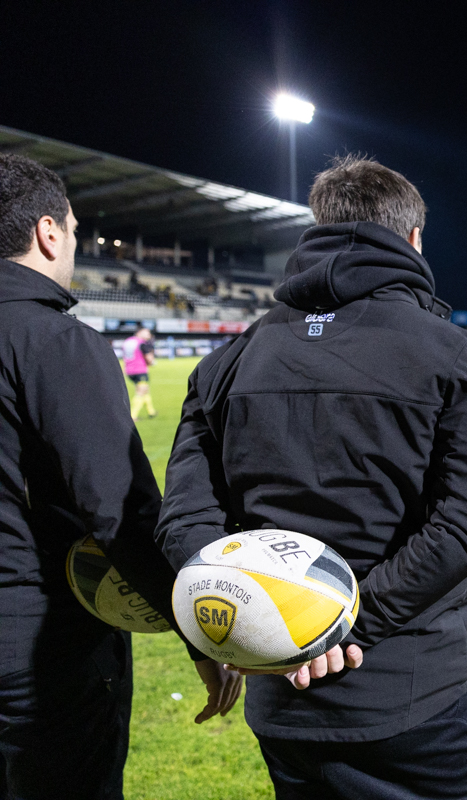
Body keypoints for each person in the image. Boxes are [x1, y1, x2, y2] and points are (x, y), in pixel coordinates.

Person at [155, 155, 467, 799]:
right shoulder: (450, 351)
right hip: (417, 691)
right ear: (412, 240)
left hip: (282, 696)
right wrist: (348, 623)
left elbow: (185, 522)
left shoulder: (226, 361)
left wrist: (248, 623)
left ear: (317, 230)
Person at [0, 154, 240, 800]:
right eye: (76, 231)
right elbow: (121, 510)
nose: (75, 245)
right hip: (40, 663)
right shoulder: (55, 341)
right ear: (48, 232)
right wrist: (197, 631)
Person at [122, 326, 157, 420]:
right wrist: (152, 362)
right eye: (147, 332)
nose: (149, 335)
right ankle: (132, 416)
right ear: (139, 332)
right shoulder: (142, 343)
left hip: (129, 370)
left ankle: (151, 412)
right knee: (141, 392)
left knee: (145, 390)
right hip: (140, 370)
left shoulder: (128, 341)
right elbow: (149, 359)